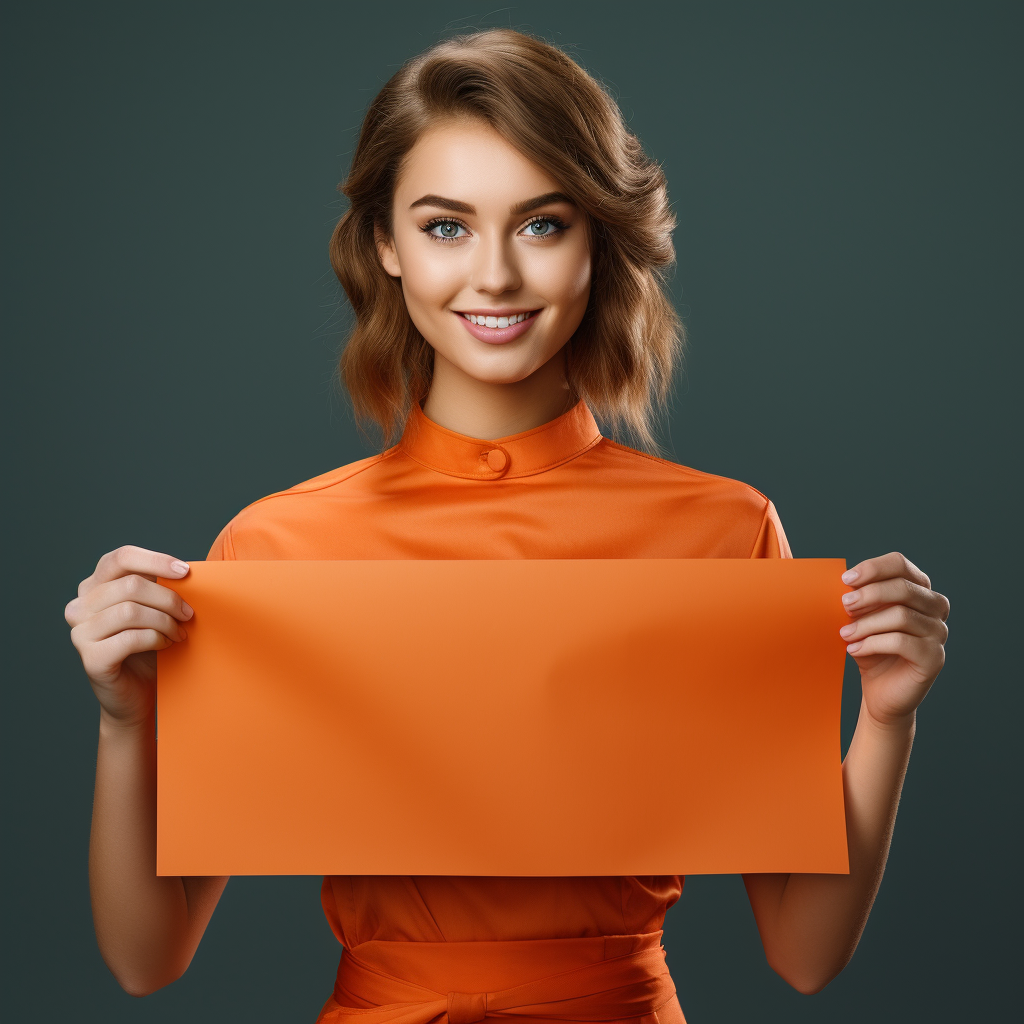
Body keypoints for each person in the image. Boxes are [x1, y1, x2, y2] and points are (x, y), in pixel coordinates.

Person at [64, 28, 950, 1022]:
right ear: (385, 246)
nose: (493, 276)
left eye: (541, 224)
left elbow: (802, 952)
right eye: (446, 226)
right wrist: (124, 719)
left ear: (598, 240)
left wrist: (886, 716)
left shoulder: (722, 530)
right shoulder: (274, 548)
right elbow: (147, 957)